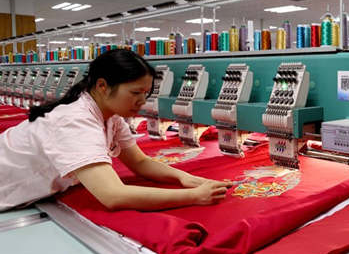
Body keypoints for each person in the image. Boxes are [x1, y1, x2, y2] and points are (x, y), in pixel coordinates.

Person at [0, 49, 230, 211]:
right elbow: (113, 195)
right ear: (102, 86)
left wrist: (185, 178)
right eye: (135, 93)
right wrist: (194, 196)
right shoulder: (75, 121)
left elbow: (140, 162)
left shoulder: (111, 117)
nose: (142, 101)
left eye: (146, 93)